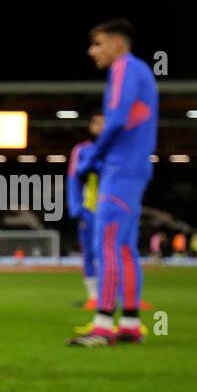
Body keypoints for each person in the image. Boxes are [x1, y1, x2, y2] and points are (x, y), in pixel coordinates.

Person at [69, 20, 158, 347]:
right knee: (124, 248)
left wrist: (95, 158)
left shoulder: (123, 69)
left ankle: (103, 324)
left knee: (106, 246)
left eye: (98, 43)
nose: (92, 51)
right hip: (136, 170)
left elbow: (117, 118)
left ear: (117, 44)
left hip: (119, 170)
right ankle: (131, 323)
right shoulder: (143, 71)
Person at [67, 112, 105, 312]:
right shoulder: (81, 150)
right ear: (91, 126)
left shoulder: (116, 150)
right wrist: (77, 209)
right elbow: (73, 178)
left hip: (113, 210)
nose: (100, 126)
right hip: (90, 210)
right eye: (97, 122)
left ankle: (112, 296)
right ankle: (93, 297)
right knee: (89, 252)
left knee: (111, 253)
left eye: (104, 123)